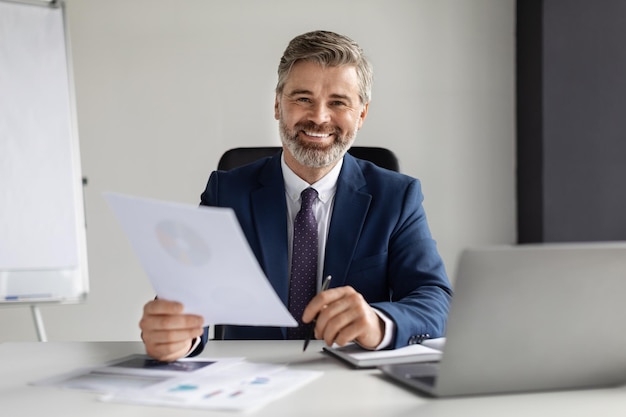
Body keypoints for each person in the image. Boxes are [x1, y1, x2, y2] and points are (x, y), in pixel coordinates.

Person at [139, 30, 452, 362]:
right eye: (303, 98)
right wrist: (176, 337)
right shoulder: (226, 193)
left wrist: (377, 322)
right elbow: (189, 297)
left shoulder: (397, 197)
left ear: (361, 114)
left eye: (338, 102)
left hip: (349, 381)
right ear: (277, 104)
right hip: (250, 381)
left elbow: (435, 300)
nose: (318, 117)